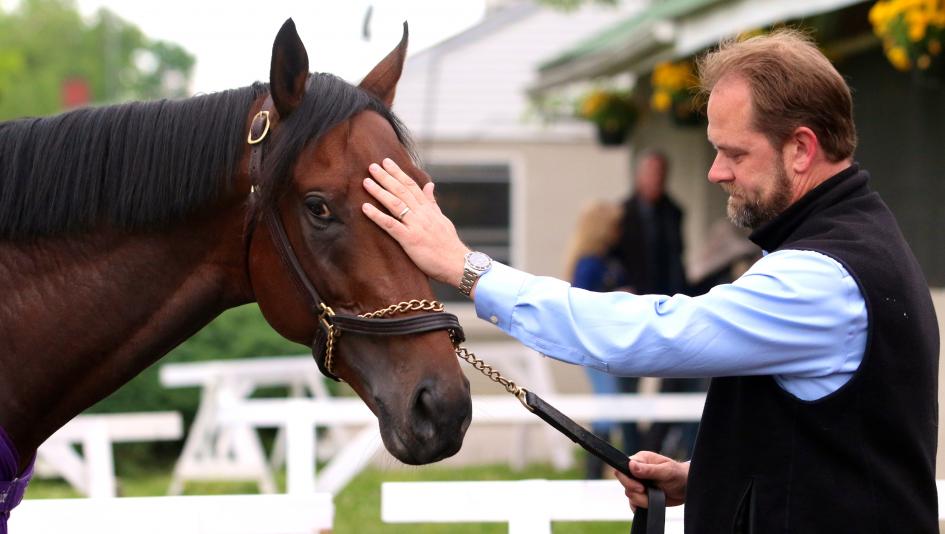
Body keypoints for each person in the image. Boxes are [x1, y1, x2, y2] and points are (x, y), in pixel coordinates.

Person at [361, 28, 939, 533]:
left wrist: (465, 265)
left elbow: (651, 334)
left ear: (801, 149)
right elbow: (826, 450)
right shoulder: (859, 245)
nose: (716, 172)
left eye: (734, 153)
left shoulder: (822, 278)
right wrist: (707, 476)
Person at [614, 149, 702, 460]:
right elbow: (613, 264)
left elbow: (677, 261)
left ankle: (654, 448)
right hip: (632, 312)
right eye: (650, 173)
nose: (655, 180)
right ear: (640, 176)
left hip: (669, 307)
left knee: (677, 382)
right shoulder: (622, 213)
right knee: (626, 389)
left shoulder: (673, 212)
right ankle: (629, 454)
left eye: (660, 174)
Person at [563, 200, 639, 479]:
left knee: (616, 405)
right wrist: (618, 295)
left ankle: (609, 469)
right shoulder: (589, 265)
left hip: (614, 345)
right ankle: (593, 473)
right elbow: (582, 306)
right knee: (607, 408)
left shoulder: (610, 259)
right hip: (596, 347)